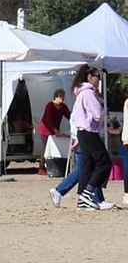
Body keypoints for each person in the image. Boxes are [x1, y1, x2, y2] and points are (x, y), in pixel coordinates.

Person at [55, 66, 111, 211]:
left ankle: (83, 200)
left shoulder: (80, 93)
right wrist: (101, 109)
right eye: (97, 76)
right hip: (89, 132)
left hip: (83, 133)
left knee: (87, 166)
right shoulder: (89, 94)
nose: (99, 79)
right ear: (89, 77)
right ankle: (87, 193)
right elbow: (98, 114)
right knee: (104, 163)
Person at [37, 88, 68, 180]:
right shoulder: (50, 105)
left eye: (63, 96)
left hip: (54, 130)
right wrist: (55, 130)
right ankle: (41, 167)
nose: (62, 98)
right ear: (56, 97)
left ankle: (54, 165)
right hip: (45, 130)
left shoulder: (63, 107)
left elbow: (69, 115)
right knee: (45, 147)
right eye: (60, 96)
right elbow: (48, 120)